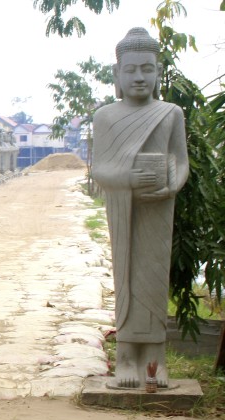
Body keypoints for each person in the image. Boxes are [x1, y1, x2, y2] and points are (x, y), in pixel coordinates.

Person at [91, 27, 189, 387]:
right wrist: (130, 179)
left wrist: (168, 184)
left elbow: (180, 161)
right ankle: (126, 360)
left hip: (158, 208)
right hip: (124, 206)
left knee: (153, 279)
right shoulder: (106, 117)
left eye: (147, 69)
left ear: (158, 73)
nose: (139, 77)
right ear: (117, 74)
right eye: (130, 70)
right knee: (127, 279)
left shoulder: (170, 113)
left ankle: (155, 362)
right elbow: (100, 169)